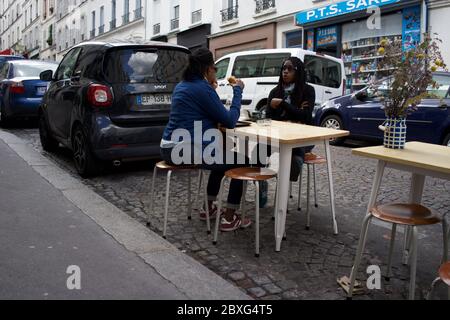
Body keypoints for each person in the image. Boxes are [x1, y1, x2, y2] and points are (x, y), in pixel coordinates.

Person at [160, 48, 251, 232]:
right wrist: (238, 91)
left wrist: (210, 90)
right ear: (208, 69)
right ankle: (229, 217)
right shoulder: (202, 89)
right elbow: (230, 120)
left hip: (168, 148)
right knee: (244, 161)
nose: (216, 74)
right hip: (186, 151)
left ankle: (207, 208)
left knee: (221, 157)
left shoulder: (182, 85)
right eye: (215, 70)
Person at [266, 57, 316, 182]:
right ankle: (261, 184)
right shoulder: (275, 92)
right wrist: (295, 112)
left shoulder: (307, 90)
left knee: (294, 149)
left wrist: (283, 104)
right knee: (258, 148)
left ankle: (292, 167)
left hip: (302, 137)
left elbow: (306, 117)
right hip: (279, 136)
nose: (285, 72)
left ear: (298, 72)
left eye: (290, 69)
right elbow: (268, 118)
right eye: (284, 68)